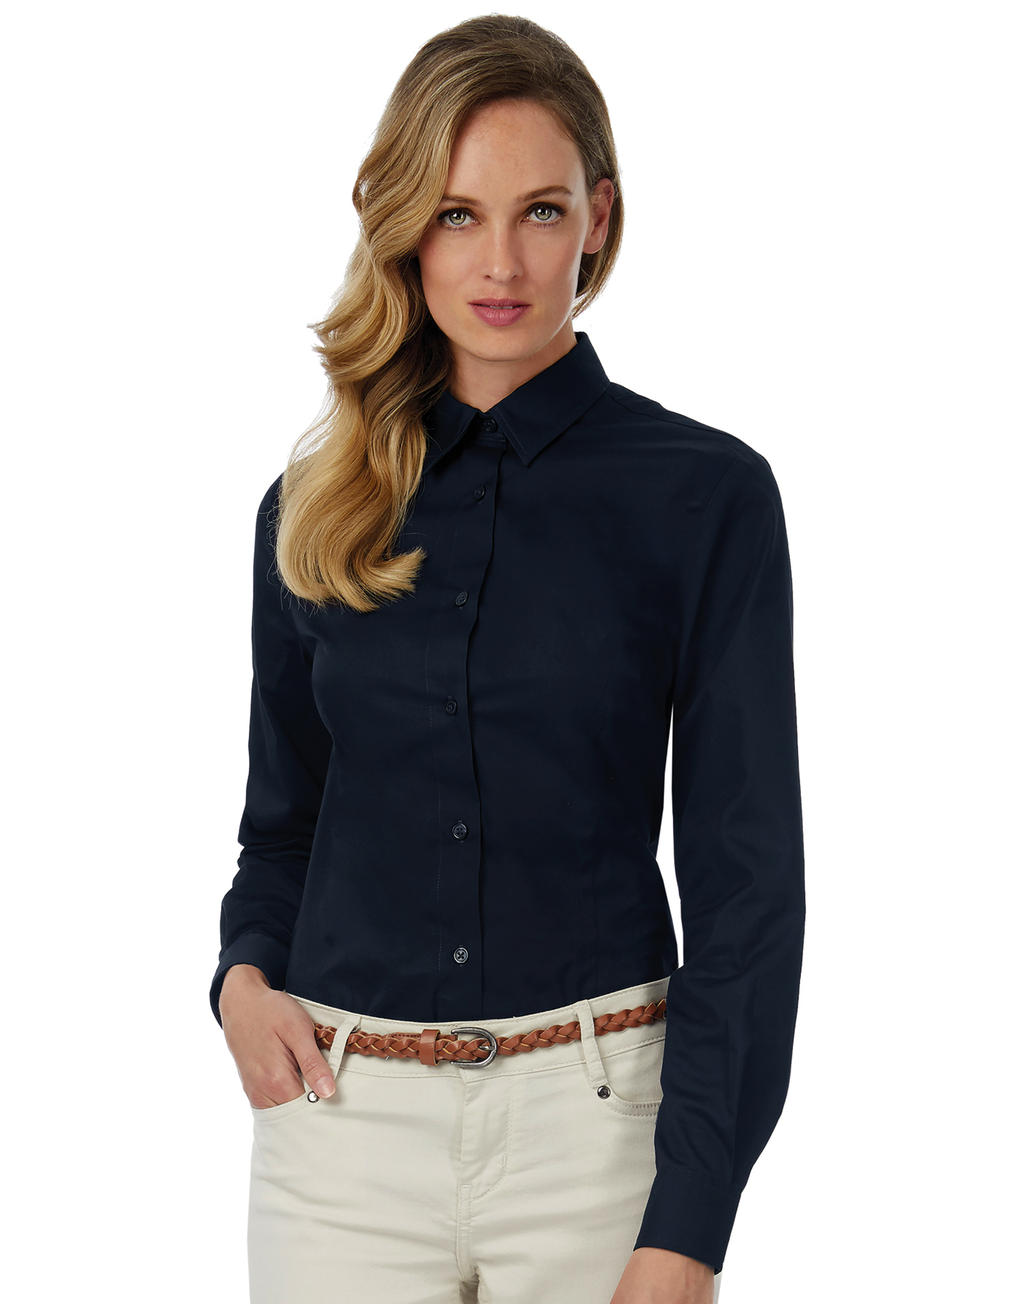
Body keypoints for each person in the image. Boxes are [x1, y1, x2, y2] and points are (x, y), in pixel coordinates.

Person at [210, 14, 805, 1304]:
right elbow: (283, 827)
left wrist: (690, 1225)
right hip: (339, 1135)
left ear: (600, 217)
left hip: (598, 1133)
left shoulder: (704, 497)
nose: (500, 262)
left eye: (540, 211)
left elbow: (747, 886)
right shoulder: (312, 510)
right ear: (402, 227)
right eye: (456, 214)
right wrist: (241, 981)